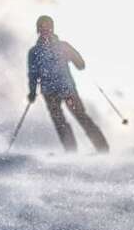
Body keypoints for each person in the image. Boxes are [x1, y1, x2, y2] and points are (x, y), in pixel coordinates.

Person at [26, 16, 107, 153]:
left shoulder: (61, 46)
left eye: (48, 27)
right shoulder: (35, 52)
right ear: (38, 30)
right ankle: (71, 151)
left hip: (66, 89)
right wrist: (32, 91)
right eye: (43, 27)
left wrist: (77, 60)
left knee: (80, 116)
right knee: (60, 122)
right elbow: (33, 74)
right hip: (51, 92)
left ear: (52, 29)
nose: (45, 30)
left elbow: (80, 65)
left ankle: (102, 148)